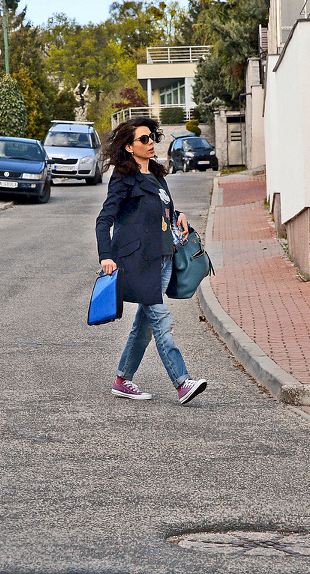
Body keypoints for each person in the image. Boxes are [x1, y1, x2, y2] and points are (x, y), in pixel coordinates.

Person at [95, 117, 207, 404]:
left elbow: (159, 208)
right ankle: (182, 382)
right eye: (143, 139)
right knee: (161, 320)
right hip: (137, 262)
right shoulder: (123, 178)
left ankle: (122, 379)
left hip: (164, 256)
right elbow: (104, 219)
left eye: (151, 138)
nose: (150, 143)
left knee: (144, 325)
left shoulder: (156, 174)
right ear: (130, 147)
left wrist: (176, 213)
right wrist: (106, 256)